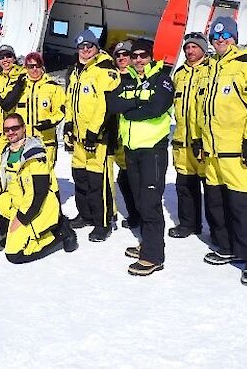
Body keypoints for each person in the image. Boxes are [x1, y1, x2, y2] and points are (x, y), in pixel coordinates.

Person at [194, 17, 247, 287]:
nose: (220, 40)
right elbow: (202, 109)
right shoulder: (209, 67)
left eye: (226, 35)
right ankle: (226, 246)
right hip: (212, 153)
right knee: (216, 204)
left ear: (235, 37)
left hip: (237, 154)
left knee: (244, 207)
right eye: (216, 36)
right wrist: (198, 140)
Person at [107, 39, 173, 276]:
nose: (138, 60)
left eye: (143, 56)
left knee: (150, 202)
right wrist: (137, 101)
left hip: (152, 151)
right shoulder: (129, 80)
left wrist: (130, 109)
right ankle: (148, 243)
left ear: (151, 57)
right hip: (132, 150)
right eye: (134, 56)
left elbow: (157, 107)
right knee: (138, 199)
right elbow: (113, 104)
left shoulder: (162, 79)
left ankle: (153, 256)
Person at [0, 113, 78, 263]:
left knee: (13, 255)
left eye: (15, 128)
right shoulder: (6, 153)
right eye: (7, 129)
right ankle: (15, 235)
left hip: (38, 207)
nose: (10, 132)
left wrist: (21, 218)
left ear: (24, 128)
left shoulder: (35, 154)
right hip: (16, 202)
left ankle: (60, 232)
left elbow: (38, 194)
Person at [64, 30, 120, 242]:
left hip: (97, 138)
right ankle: (85, 214)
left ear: (97, 48)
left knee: (98, 181)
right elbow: (71, 100)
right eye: (81, 47)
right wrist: (69, 124)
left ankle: (102, 222)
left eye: (89, 46)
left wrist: (93, 132)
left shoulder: (104, 70)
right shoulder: (78, 71)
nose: (85, 50)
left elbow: (105, 105)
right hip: (79, 137)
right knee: (81, 177)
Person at [169, 32, 214, 239]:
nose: (190, 51)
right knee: (185, 186)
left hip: (203, 143)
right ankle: (189, 224)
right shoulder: (179, 74)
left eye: (194, 47)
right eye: (187, 47)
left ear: (203, 49)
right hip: (182, 142)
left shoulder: (212, 71)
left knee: (212, 190)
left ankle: (217, 231)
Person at [0, 52, 65, 169]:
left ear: (42, 67)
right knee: (16, 175)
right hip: (21, 142)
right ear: (25, 68)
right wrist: (18, 86)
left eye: (37, 66)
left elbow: (61, 110)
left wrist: (50, 122)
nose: (34, 69)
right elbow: (6, 106)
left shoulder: (53, 87)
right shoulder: (18, 85)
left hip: (45, 141)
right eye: (30, 66)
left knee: (44, 176)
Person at [111, 40, 139, 230]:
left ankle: (138, 215)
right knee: (121, 177)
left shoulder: (136, 78)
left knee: (131, 178)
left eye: (125, 55)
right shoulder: (111, 77)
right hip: (114, 134)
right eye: (118, 55)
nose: (121, 58)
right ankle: (133, 214)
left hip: (132, 135)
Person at [0, 44, 25, 166]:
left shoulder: (22, 74)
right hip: (1, 133)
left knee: (14, 167)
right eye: (1, 57)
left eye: (8, 56)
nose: (5, 60)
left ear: (14, 58)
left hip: (17, 133)